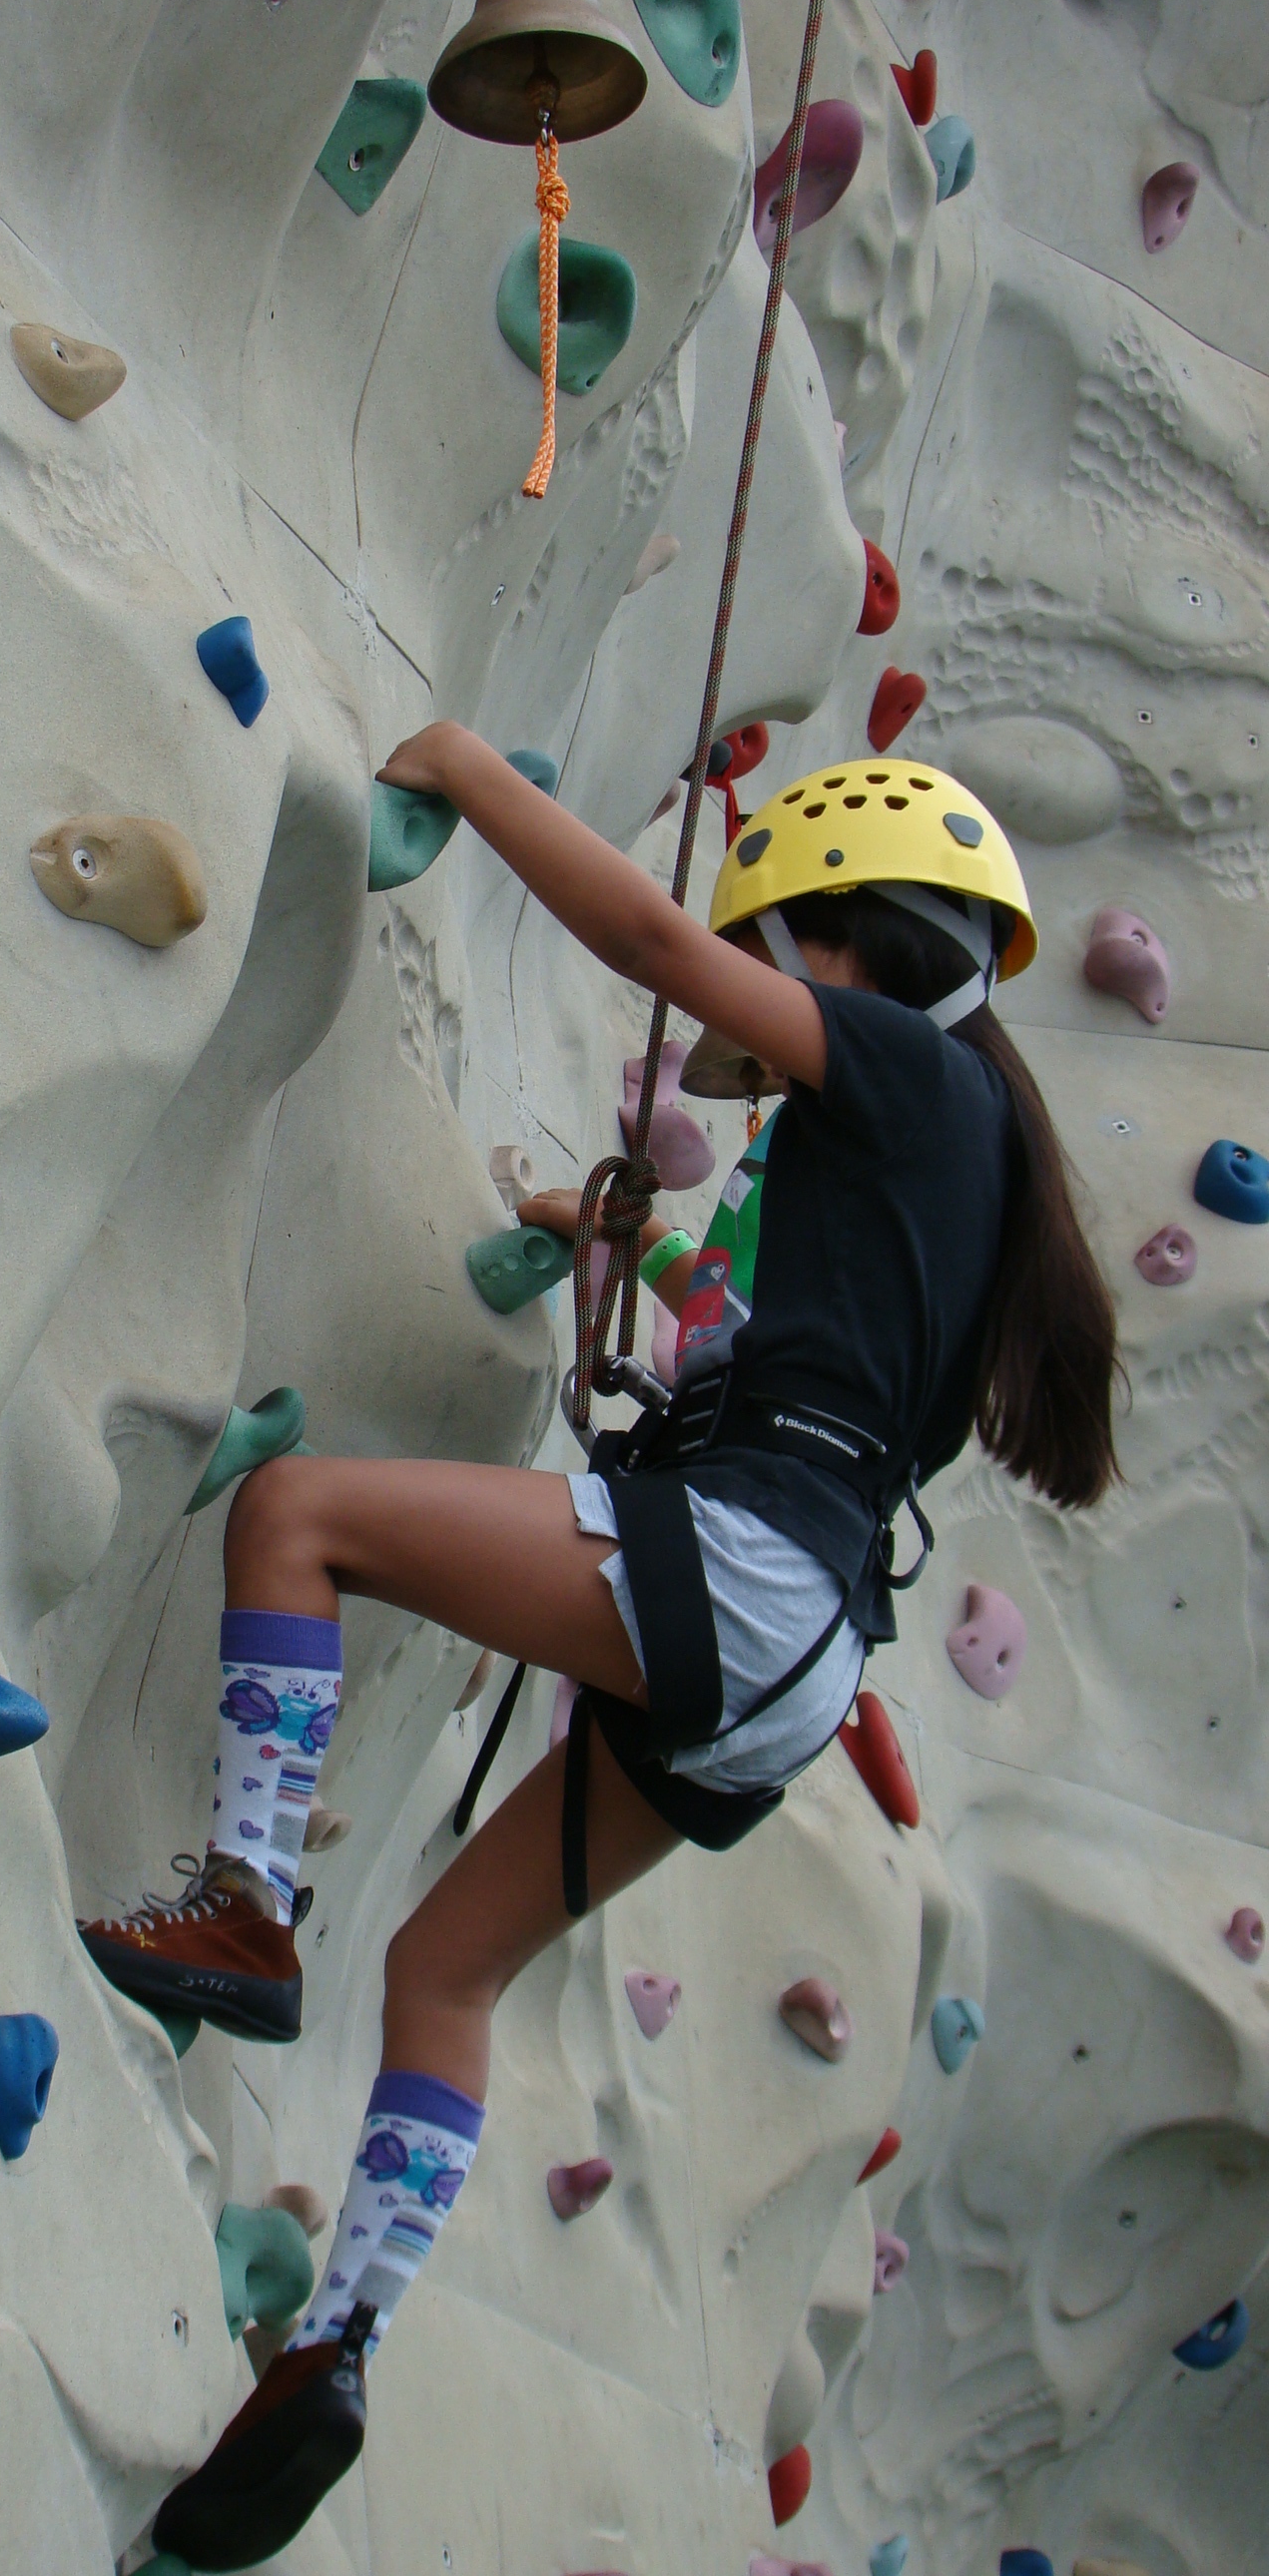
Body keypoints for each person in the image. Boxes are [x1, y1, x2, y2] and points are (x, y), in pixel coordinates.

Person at [78, 725, 1121, 2570]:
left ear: (836, 932)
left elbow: (646, 941)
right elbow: (776, 1374)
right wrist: (607, 1248)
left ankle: (243, 1897)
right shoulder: (954, 1176)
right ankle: (341, 2341)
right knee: (448, 1975)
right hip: (794, 1663)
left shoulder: (891, 1063)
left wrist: (469, 775)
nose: (749, 990)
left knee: (294, 1517)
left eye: (771, 943)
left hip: (741, 1573)